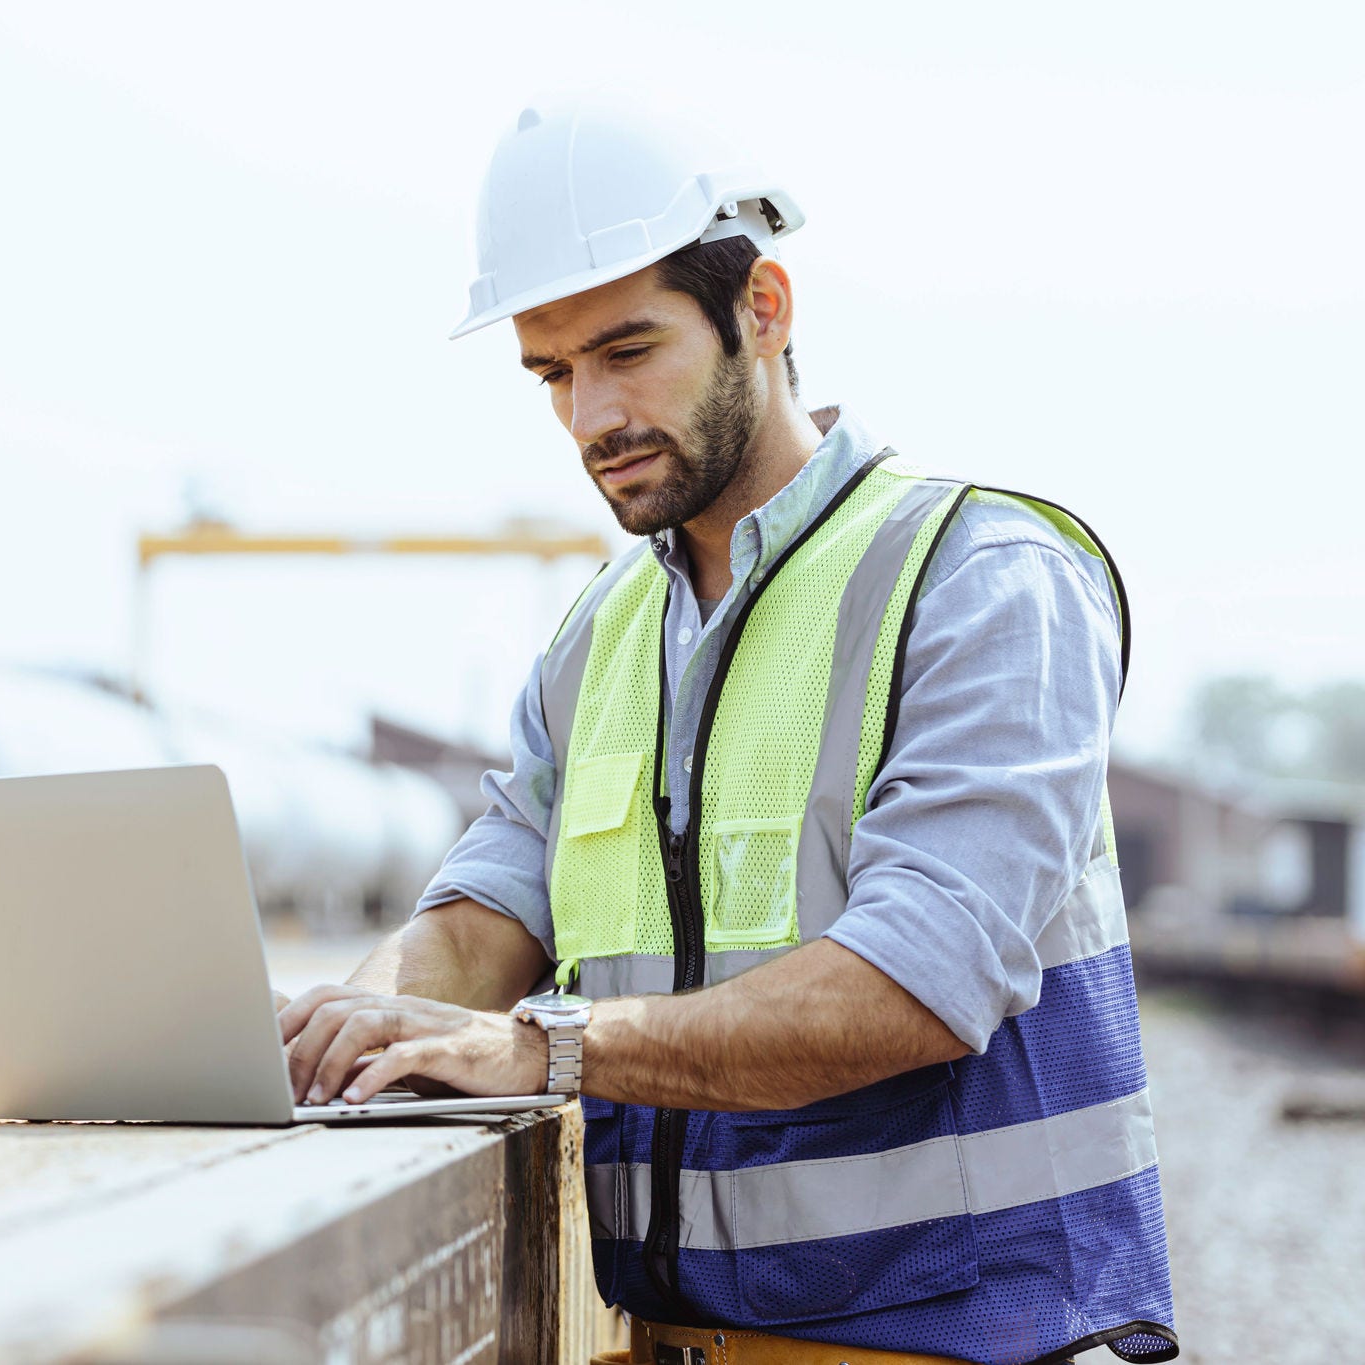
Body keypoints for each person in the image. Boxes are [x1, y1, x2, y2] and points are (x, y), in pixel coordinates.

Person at [276, 100, 1177, 1365]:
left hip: (974, 1342)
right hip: (676, 1343)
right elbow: (487, 913)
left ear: (762, 308)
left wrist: (536, 1045)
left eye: (626, 350)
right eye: (551, 373)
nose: (590, 417)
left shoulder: (979, 578)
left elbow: (918, 982)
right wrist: (342, 1030)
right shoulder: (597, 637)